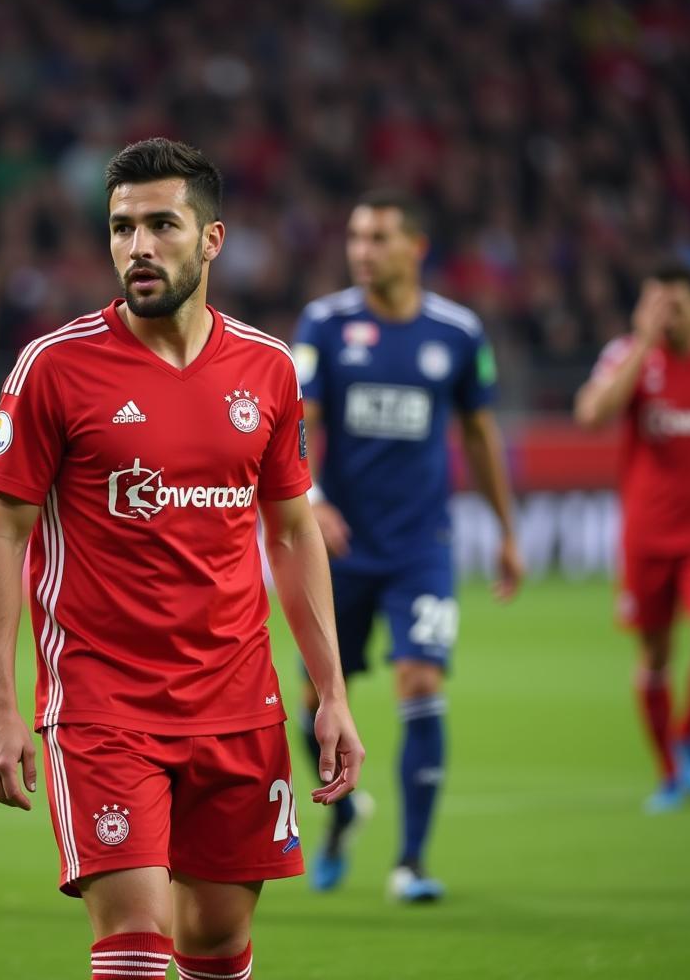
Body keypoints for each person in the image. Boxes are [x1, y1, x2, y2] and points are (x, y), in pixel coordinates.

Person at [0, 138, 365, 980]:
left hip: (238, 700)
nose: (137, 247)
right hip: (102, 702)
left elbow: (294, 533)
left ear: (211, 239)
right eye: (121, 229)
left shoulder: (267, 369)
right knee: (136, 944)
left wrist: (329, 693)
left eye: (161, 225)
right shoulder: (55, 367)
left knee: (217, 942)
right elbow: (1, 532)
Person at [291, 190, 523, 902]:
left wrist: (508, 533)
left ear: (415, 247)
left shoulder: (457, 333)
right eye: (357, 236)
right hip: (339, 544)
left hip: (423, 545)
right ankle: (345, 811)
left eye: (379, 237)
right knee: (315, 699)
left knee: (420, 682)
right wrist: (311, 500)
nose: (363, 250)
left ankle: (411, 863)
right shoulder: (326, 324)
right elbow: (298, 420)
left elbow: (480, 436)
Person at [574, 263, 690, 813]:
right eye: (655, 305)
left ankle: (686, 739)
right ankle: (670, 770)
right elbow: (592, 413)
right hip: (647, 533)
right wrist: (645, 342)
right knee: (655, 655)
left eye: (675, 305)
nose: (665, 316)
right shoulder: (628, 355)